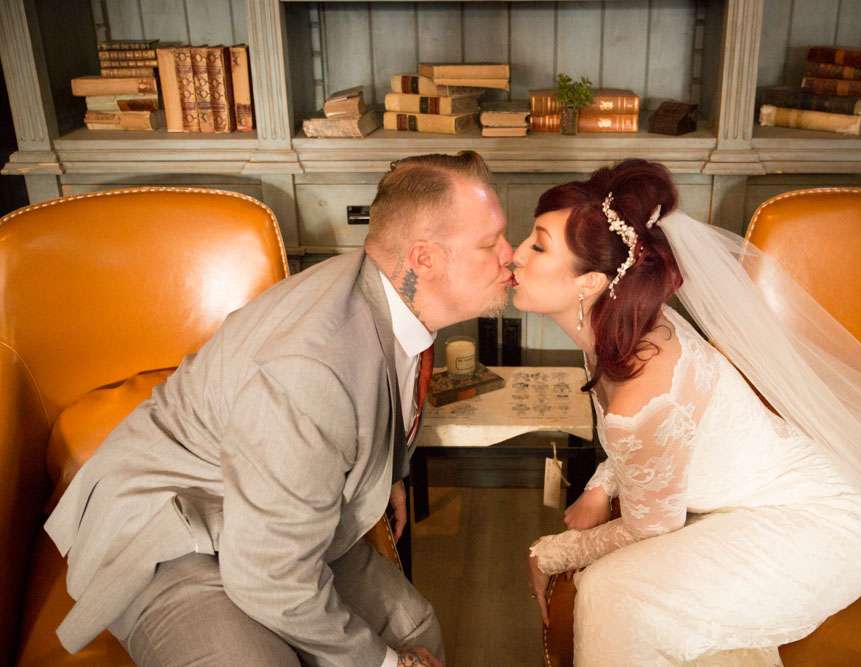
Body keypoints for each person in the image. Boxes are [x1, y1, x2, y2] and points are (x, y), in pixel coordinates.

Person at [514, 159, 861, 665]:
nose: (515, 255)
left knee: (611, 591)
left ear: (591, 282)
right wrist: (601, 485)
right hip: (749, 509)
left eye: (537, 245)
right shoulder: (632, 331)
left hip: (815, 535)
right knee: (621, 593)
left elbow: (650, 521)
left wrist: (550, 553)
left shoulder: (641, 389)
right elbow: (658, 438)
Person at [44, 151, 513, 667]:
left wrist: (388, 471)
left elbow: (381, 389)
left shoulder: (387, 292)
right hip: (173, 528)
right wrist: (384, 663)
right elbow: (269, 575)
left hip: (275, 517)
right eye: (490, 243)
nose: (509, 255)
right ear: (424, 259)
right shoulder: (313, 368)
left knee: (413, 625)